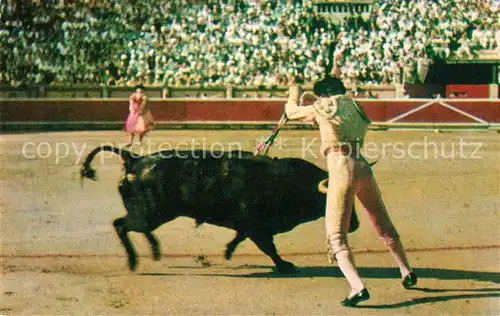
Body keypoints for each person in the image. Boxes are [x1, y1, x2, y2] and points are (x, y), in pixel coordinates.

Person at [284, 75, 417, 307]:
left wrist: (293, 90)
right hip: (363, 166)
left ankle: (357, 287)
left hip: (341, 167)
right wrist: (315, 102)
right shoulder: (354, 105)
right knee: (383, 224)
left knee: (336, 236)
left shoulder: (322, 106)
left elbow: (291, 112)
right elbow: (333, 114)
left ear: (323, 94)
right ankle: (406, 270)